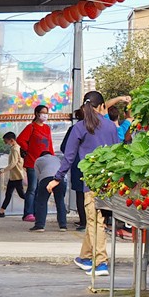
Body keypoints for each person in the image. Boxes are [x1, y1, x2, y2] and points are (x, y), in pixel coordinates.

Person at [50, 91, 124, 277]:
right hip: (108, 183)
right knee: (96, 221)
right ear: (101, 107)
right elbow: (117, 154)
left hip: (90, 182)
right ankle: (85, 257)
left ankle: (100, 263)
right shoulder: (111, 127)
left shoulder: (80, 127)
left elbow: (68, 157)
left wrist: (57, 178)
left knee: (95, 222)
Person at [16, 105, 54, 222]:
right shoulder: (31, 127)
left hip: (45, 164)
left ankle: (38, 212)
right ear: (37, 114)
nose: (45, 115)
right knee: (32, 188)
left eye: (46, 113)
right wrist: (29, 149)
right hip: (32, 162)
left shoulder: (47, 128)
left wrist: (52, 158)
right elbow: (20, 139)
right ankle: (28, 213)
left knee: (40, 189)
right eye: (42, 112)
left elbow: (50, 144)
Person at [61, 108, 87, 231]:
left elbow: (64, 147)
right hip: (94, 165)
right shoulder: (98, 127)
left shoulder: (74, 129)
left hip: (78, 164)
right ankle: (94, 220)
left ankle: (83, 221)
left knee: (80, 193)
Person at [29, 152, 67, 232]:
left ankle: (39, 225)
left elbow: (38, 175)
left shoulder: (38, 160)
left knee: (41, 202)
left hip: (45, 178)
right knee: (60, 201)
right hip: (60, 179)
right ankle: (63, 225)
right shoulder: (57, 158)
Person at [0, 132, 26, 217]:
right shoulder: (15, 148)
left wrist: (2, 171)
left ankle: (35, 205)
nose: (5, 143)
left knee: (21, 195)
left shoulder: (15, 149)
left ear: (11, 140)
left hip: (17, 176)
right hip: (14, 176)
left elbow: (13, 163)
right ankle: (1, 211)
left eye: (6, 141)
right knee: (9, 194)